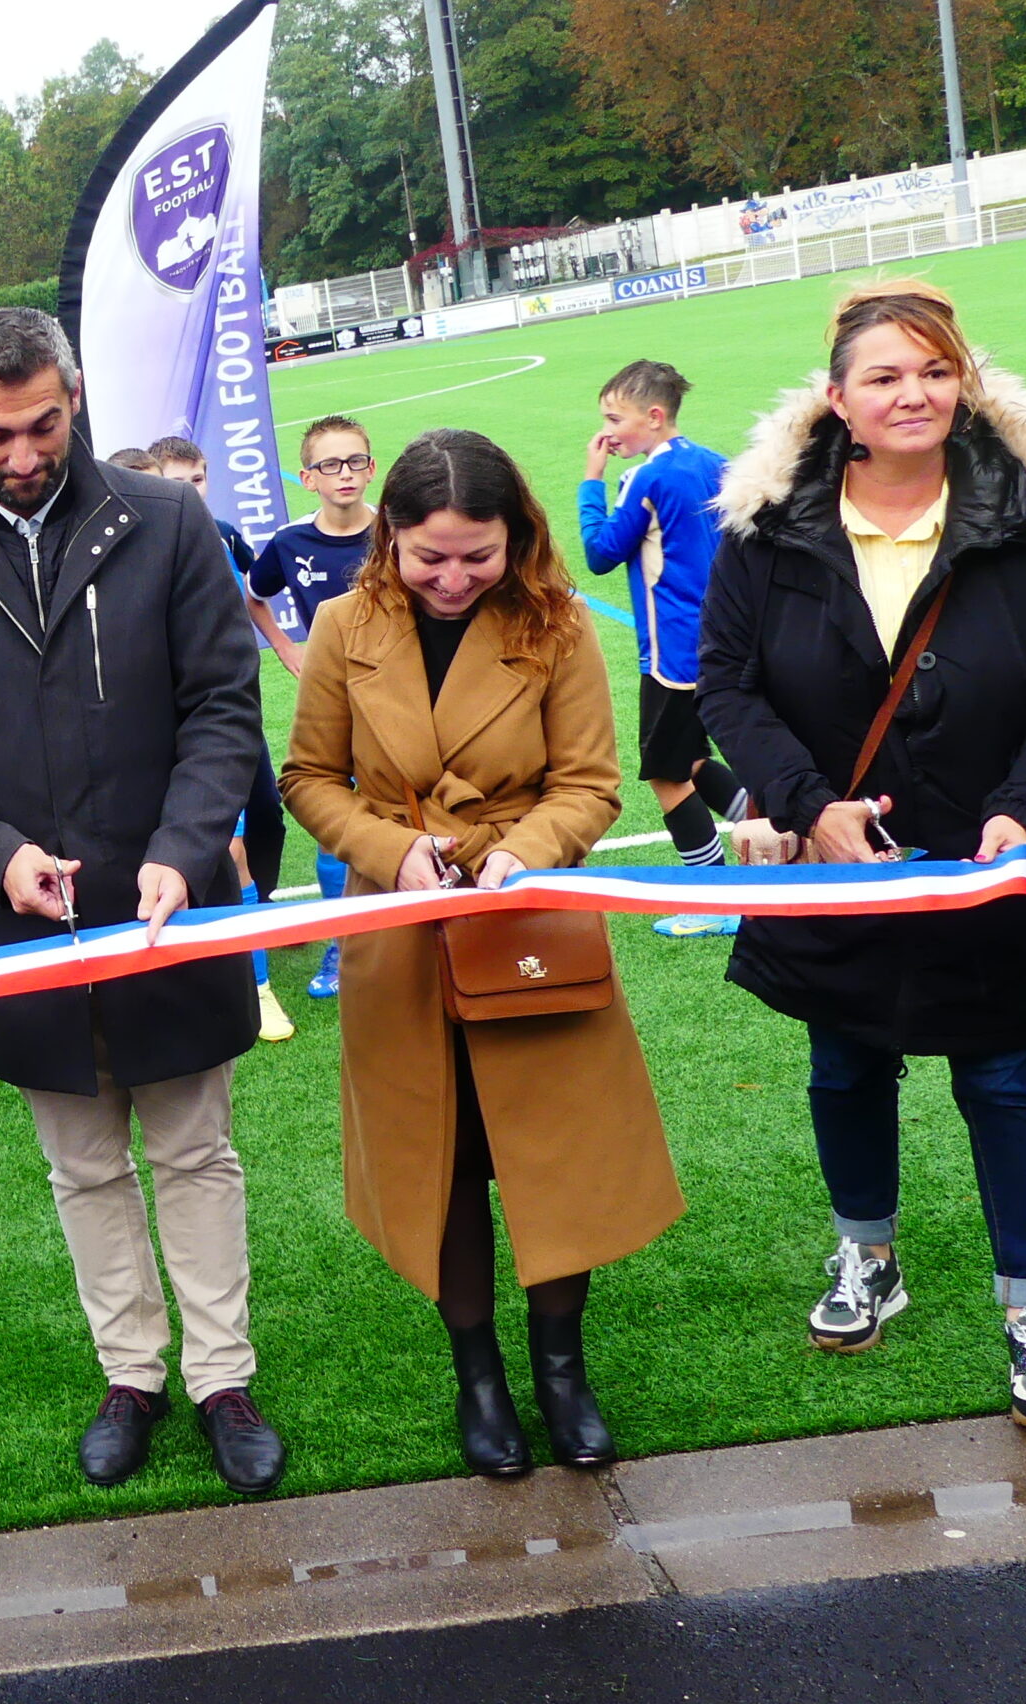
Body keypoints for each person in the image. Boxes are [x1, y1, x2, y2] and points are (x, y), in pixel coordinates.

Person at [0, 306, 286, 1497]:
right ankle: (130, 1376)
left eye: (42, 425)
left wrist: (183, 849)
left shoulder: (166, 520)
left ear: (76, 397)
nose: (21, 454)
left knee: (195, 1151)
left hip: (167, 909)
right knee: (83, 1168)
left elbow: (222, 705)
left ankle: (221, 1378)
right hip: (19, 925)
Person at [283, 428, 683, 1478]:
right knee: (441, 1160)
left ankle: (562, 1372)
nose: (454, 579)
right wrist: (390, 852)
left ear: (517, 538)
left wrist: (521, 856)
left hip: (528, 928)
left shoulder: (557, 625)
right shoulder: (341, 626)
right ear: (390, 535)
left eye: (478, 555)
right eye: (430, 556)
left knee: (554, 1158)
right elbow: (309, 778)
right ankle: (479, 1379)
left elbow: (589, 785)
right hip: (401, 935)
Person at [698, 279, 1026, 1422]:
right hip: (834, 858)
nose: (914, 394)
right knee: (845, 1062)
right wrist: (811, 807)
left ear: (966, 381)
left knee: (1009, 1078)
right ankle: (867, 1254)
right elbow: (728, 686)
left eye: (935, 371)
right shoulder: (765, 525)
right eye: (885, 376)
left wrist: (1024, 806)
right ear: (837, 398)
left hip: (995, 857)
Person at [581, 361, 744, 939]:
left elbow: (600, 553)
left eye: (614, 418)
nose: (607, 432)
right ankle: (779, 833)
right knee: (692, 761)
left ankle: (716, 901)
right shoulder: (715, 463)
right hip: (728, 640)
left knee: (667, 775)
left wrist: (591, 481)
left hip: (674, 653)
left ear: (653, 416)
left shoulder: (645, 478)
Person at [146, 436, 293, 1041]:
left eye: (198, 480)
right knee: (227, 845)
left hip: (238, 713)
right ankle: (254, 983)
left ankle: (256, 915)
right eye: (175, 483)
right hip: (193, 724)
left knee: (268, 817)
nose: (189, 493)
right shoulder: (147, 546)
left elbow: (255, 595)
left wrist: (283, 646)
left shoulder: (227, 535)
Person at [249, 417, 380, 1003]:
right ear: (308, 478)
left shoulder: (398, 530)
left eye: (355, 462)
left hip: (400, 700)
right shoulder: (289, 542)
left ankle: (416, 925)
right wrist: (286, 647)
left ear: (371, 469)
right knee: (333, 822)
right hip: (331, 702)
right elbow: (255, 594)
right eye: (330, 464)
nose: (344, 474)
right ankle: (343, 944)